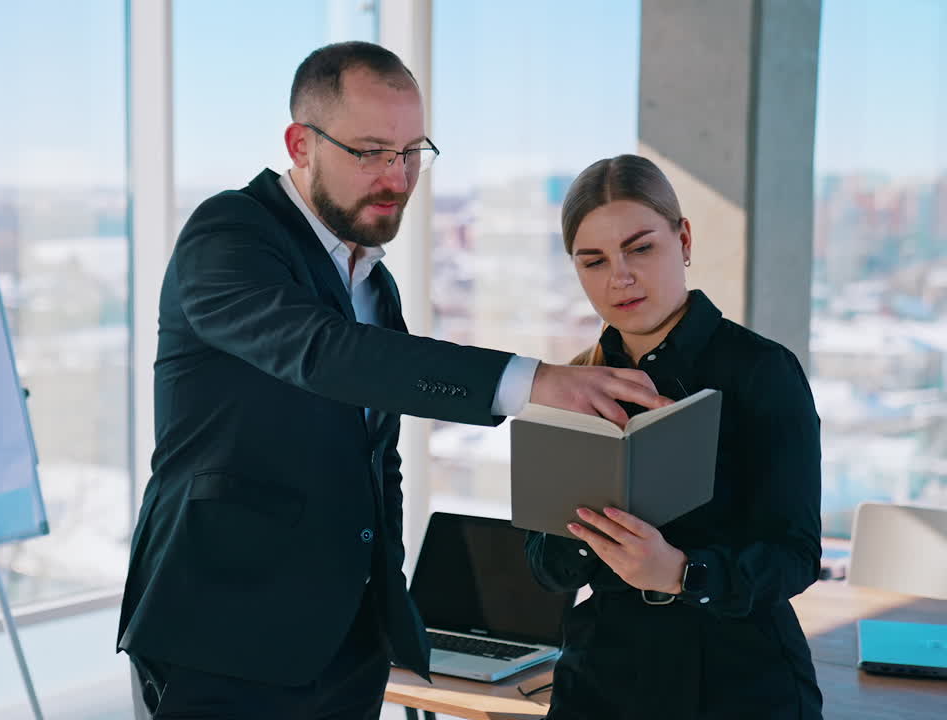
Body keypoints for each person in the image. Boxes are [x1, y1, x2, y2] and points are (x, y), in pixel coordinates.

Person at [117, 43, 667, 719]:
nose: (398, 177)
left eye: (412, 152)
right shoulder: (228, 237)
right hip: (223, 637)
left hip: (349, 646)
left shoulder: (373, 280)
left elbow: (380, 459)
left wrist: (385, 601)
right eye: (372, 151)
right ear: (301, 144)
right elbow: (324, 354)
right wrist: (534, 382)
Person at [526, 154, 824, 719]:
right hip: (601, 685)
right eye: (593, 261)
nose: (620, 277)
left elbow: (796, 554)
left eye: (641, 248)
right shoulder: (575, 381)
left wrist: (683, 572)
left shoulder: (762, 371)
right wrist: (585, 534)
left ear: (683, 240)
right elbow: (547, 569)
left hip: (740, 686)